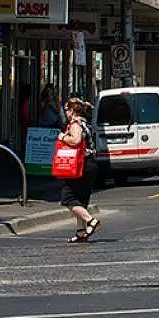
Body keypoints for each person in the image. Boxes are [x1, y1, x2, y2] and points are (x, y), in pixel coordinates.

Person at [58, 98, 101, 244]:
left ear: (72, 111)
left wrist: (63, 137)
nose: (66, 114)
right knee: (81, 200)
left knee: (68, 198)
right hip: (90, 164)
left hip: (81, 164)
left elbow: (76, 140)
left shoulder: (76, 124)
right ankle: (81, 231)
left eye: (67, 111)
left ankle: (91, 221)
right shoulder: (86, 123)